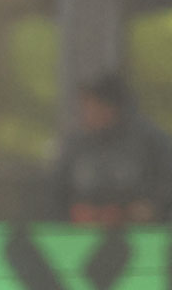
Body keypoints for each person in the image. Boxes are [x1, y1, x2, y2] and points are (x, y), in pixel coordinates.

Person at [52, 73, 172, 225]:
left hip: (141, 231)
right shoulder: (75, 144)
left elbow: (166, 183)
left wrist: (152, 206)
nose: (86, 113)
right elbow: (56, 191)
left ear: (111, 107)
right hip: (82, 232)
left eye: (92, 106)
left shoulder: (151, 141)